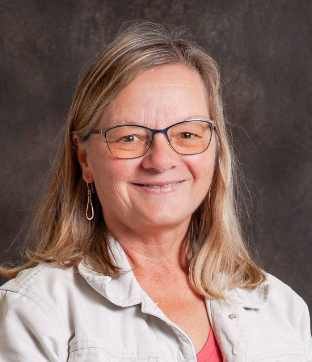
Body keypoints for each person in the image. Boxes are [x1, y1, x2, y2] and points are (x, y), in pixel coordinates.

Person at [0, 22, 311, 362]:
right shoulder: (35, 310)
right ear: (85, 158)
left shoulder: (282, 309)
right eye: (129, 137)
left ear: (216, 150)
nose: (161, 160)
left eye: (187, 135)